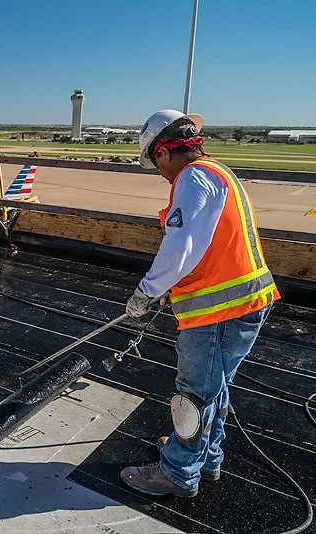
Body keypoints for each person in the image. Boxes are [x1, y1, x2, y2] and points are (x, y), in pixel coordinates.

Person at [120, 109, 280, 498]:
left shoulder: (192, 179)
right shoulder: (219, 173)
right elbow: (208, 247)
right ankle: (206, 460)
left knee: (193, 395)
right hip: (245, 304)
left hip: (219, 314)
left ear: (162, 153)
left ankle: (176, 473)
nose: (160, 174)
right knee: (216, 389)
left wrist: (147, 290)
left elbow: (181, 247)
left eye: (155, 164)